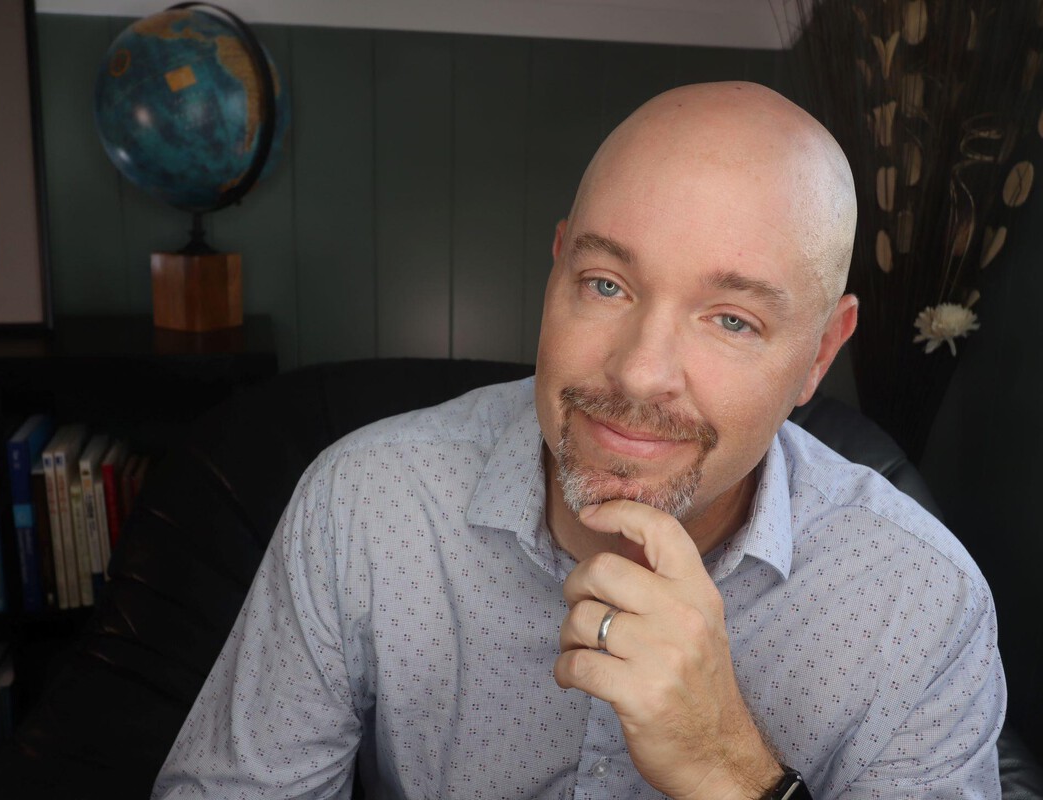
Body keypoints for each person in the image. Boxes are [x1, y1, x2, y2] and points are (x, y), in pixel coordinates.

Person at [151, 82, 1004, 799]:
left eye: (731, 320)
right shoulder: (365, 502)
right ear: (556, 268)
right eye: (605, 284)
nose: (638, 373)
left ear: (818, 353)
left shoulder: (921, 606)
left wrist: (728, 770)